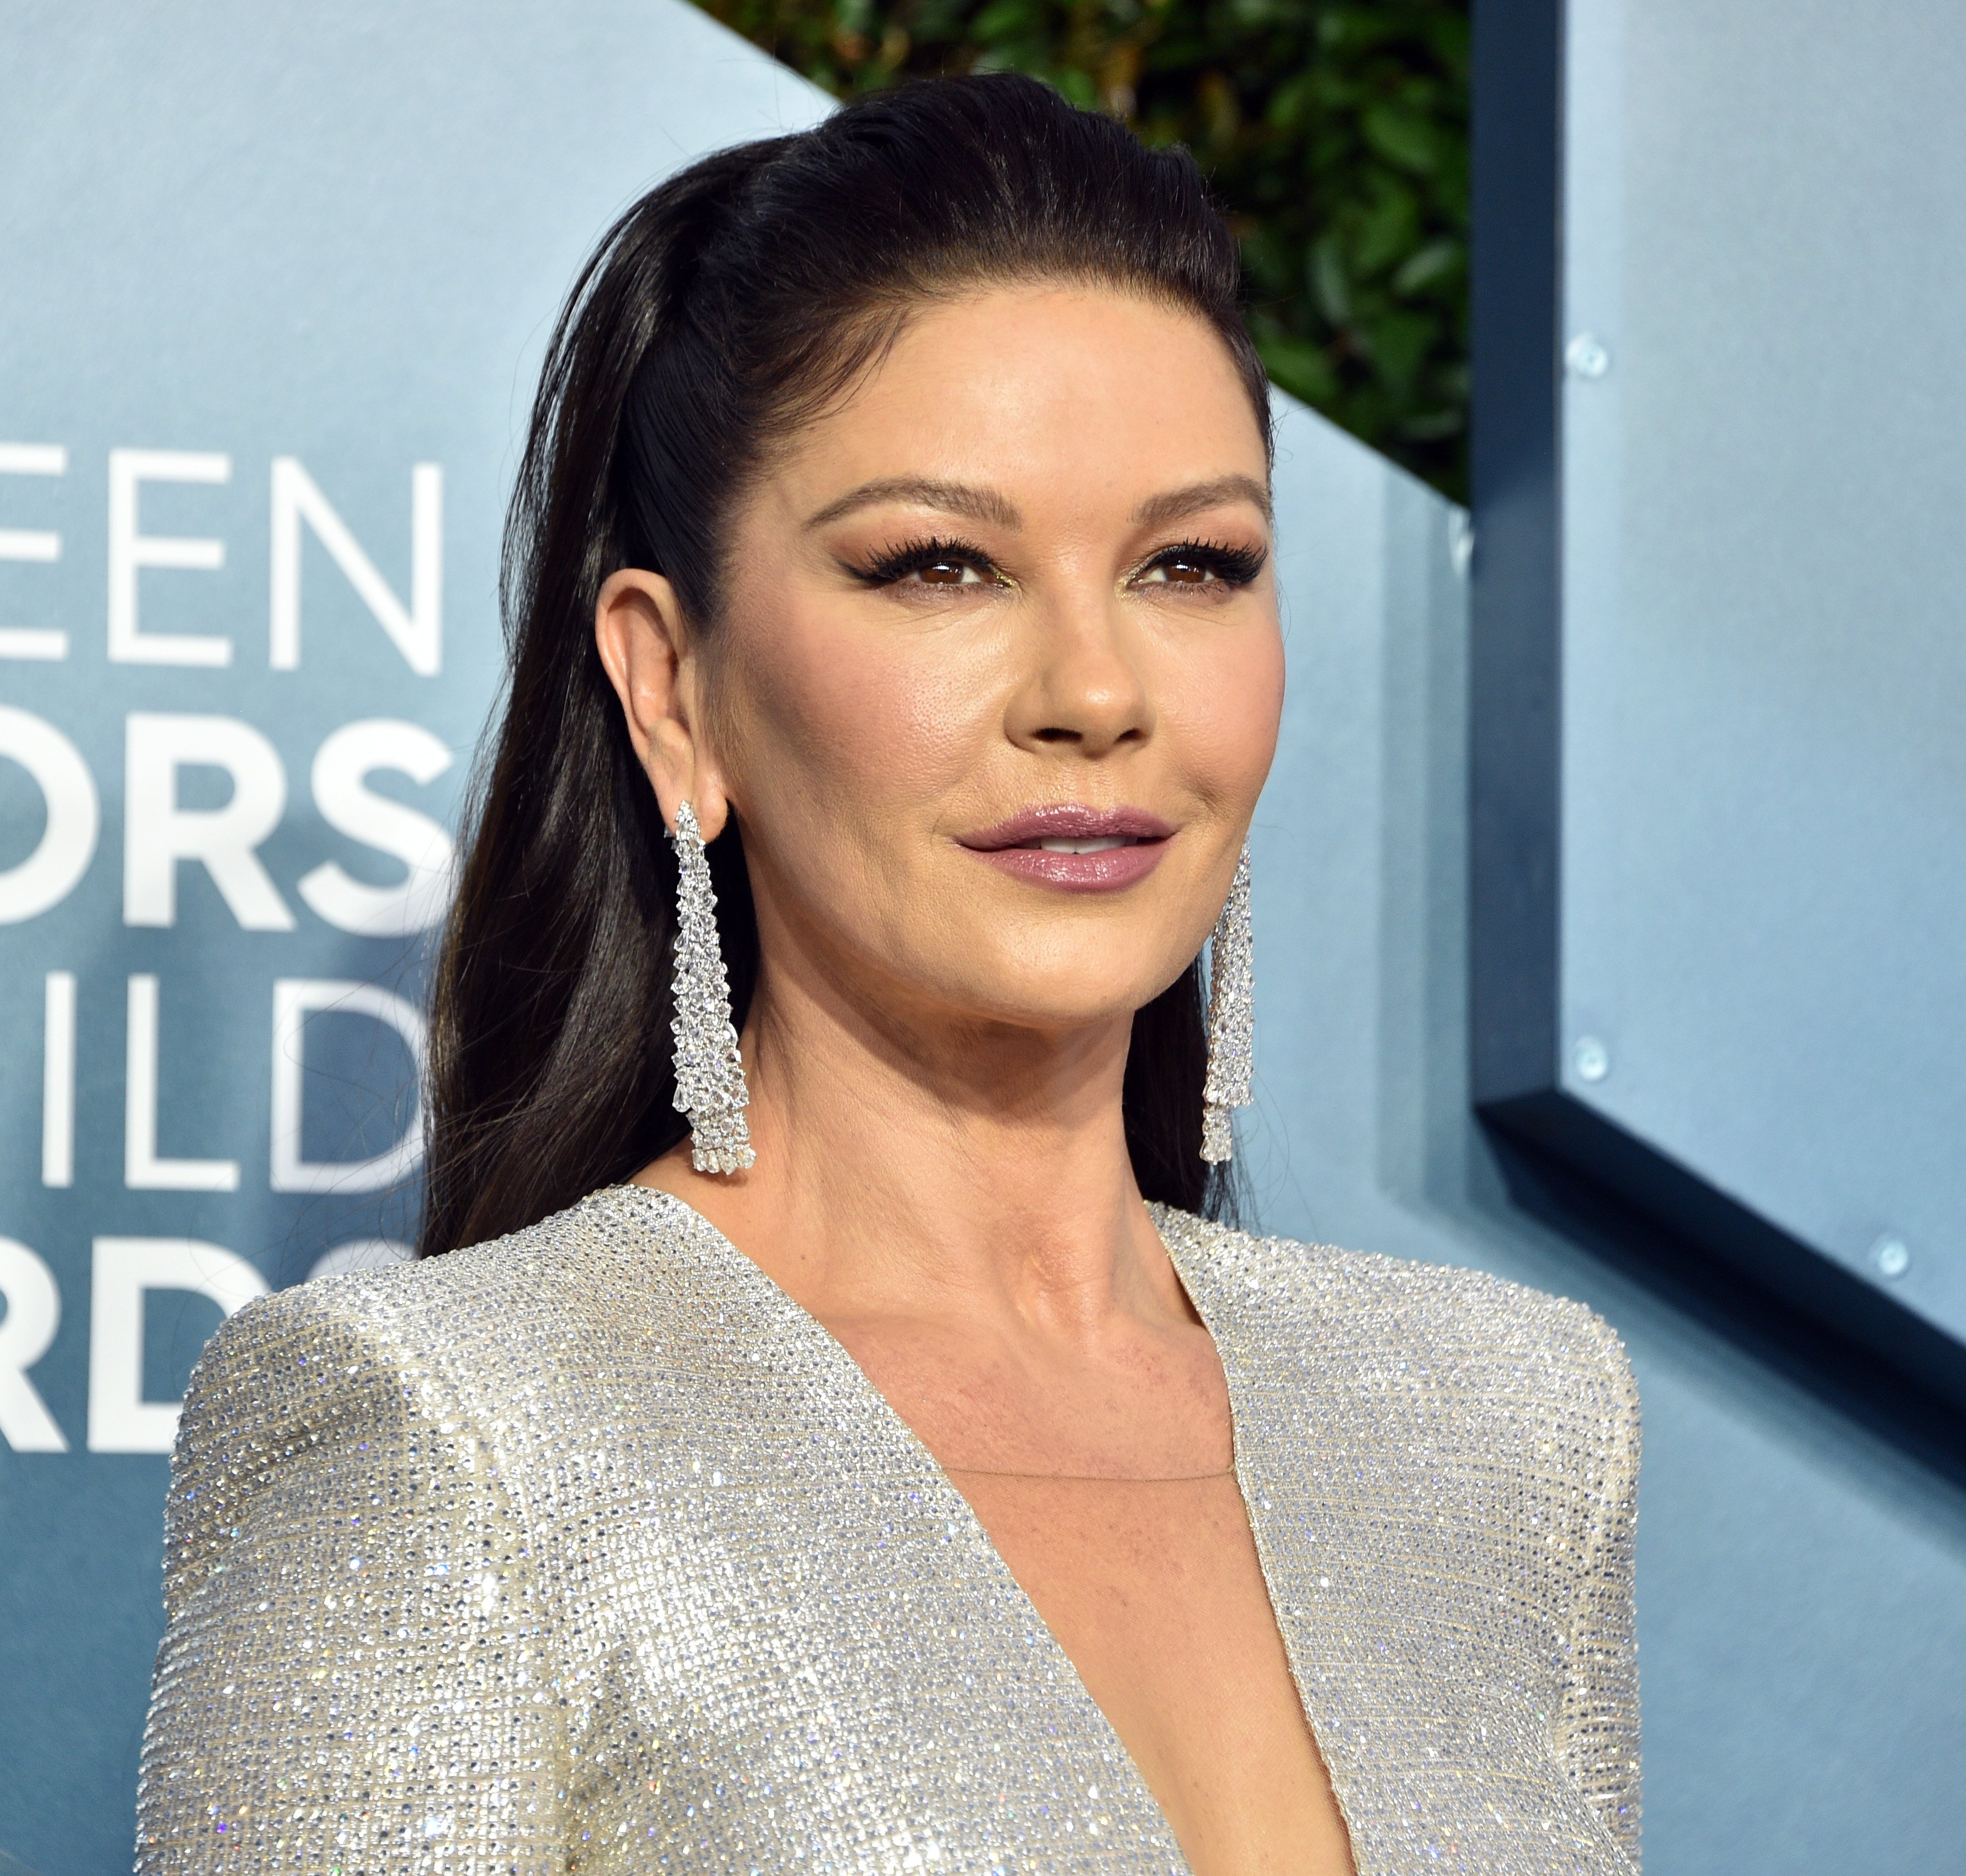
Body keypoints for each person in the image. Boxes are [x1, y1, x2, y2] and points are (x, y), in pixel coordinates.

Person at [134, 74, 1638, 1876]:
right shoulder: (458, 1434)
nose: (1097, 690)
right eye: (941, 565)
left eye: (1193, 563)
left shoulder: (1510, 1429)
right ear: (671, 685)